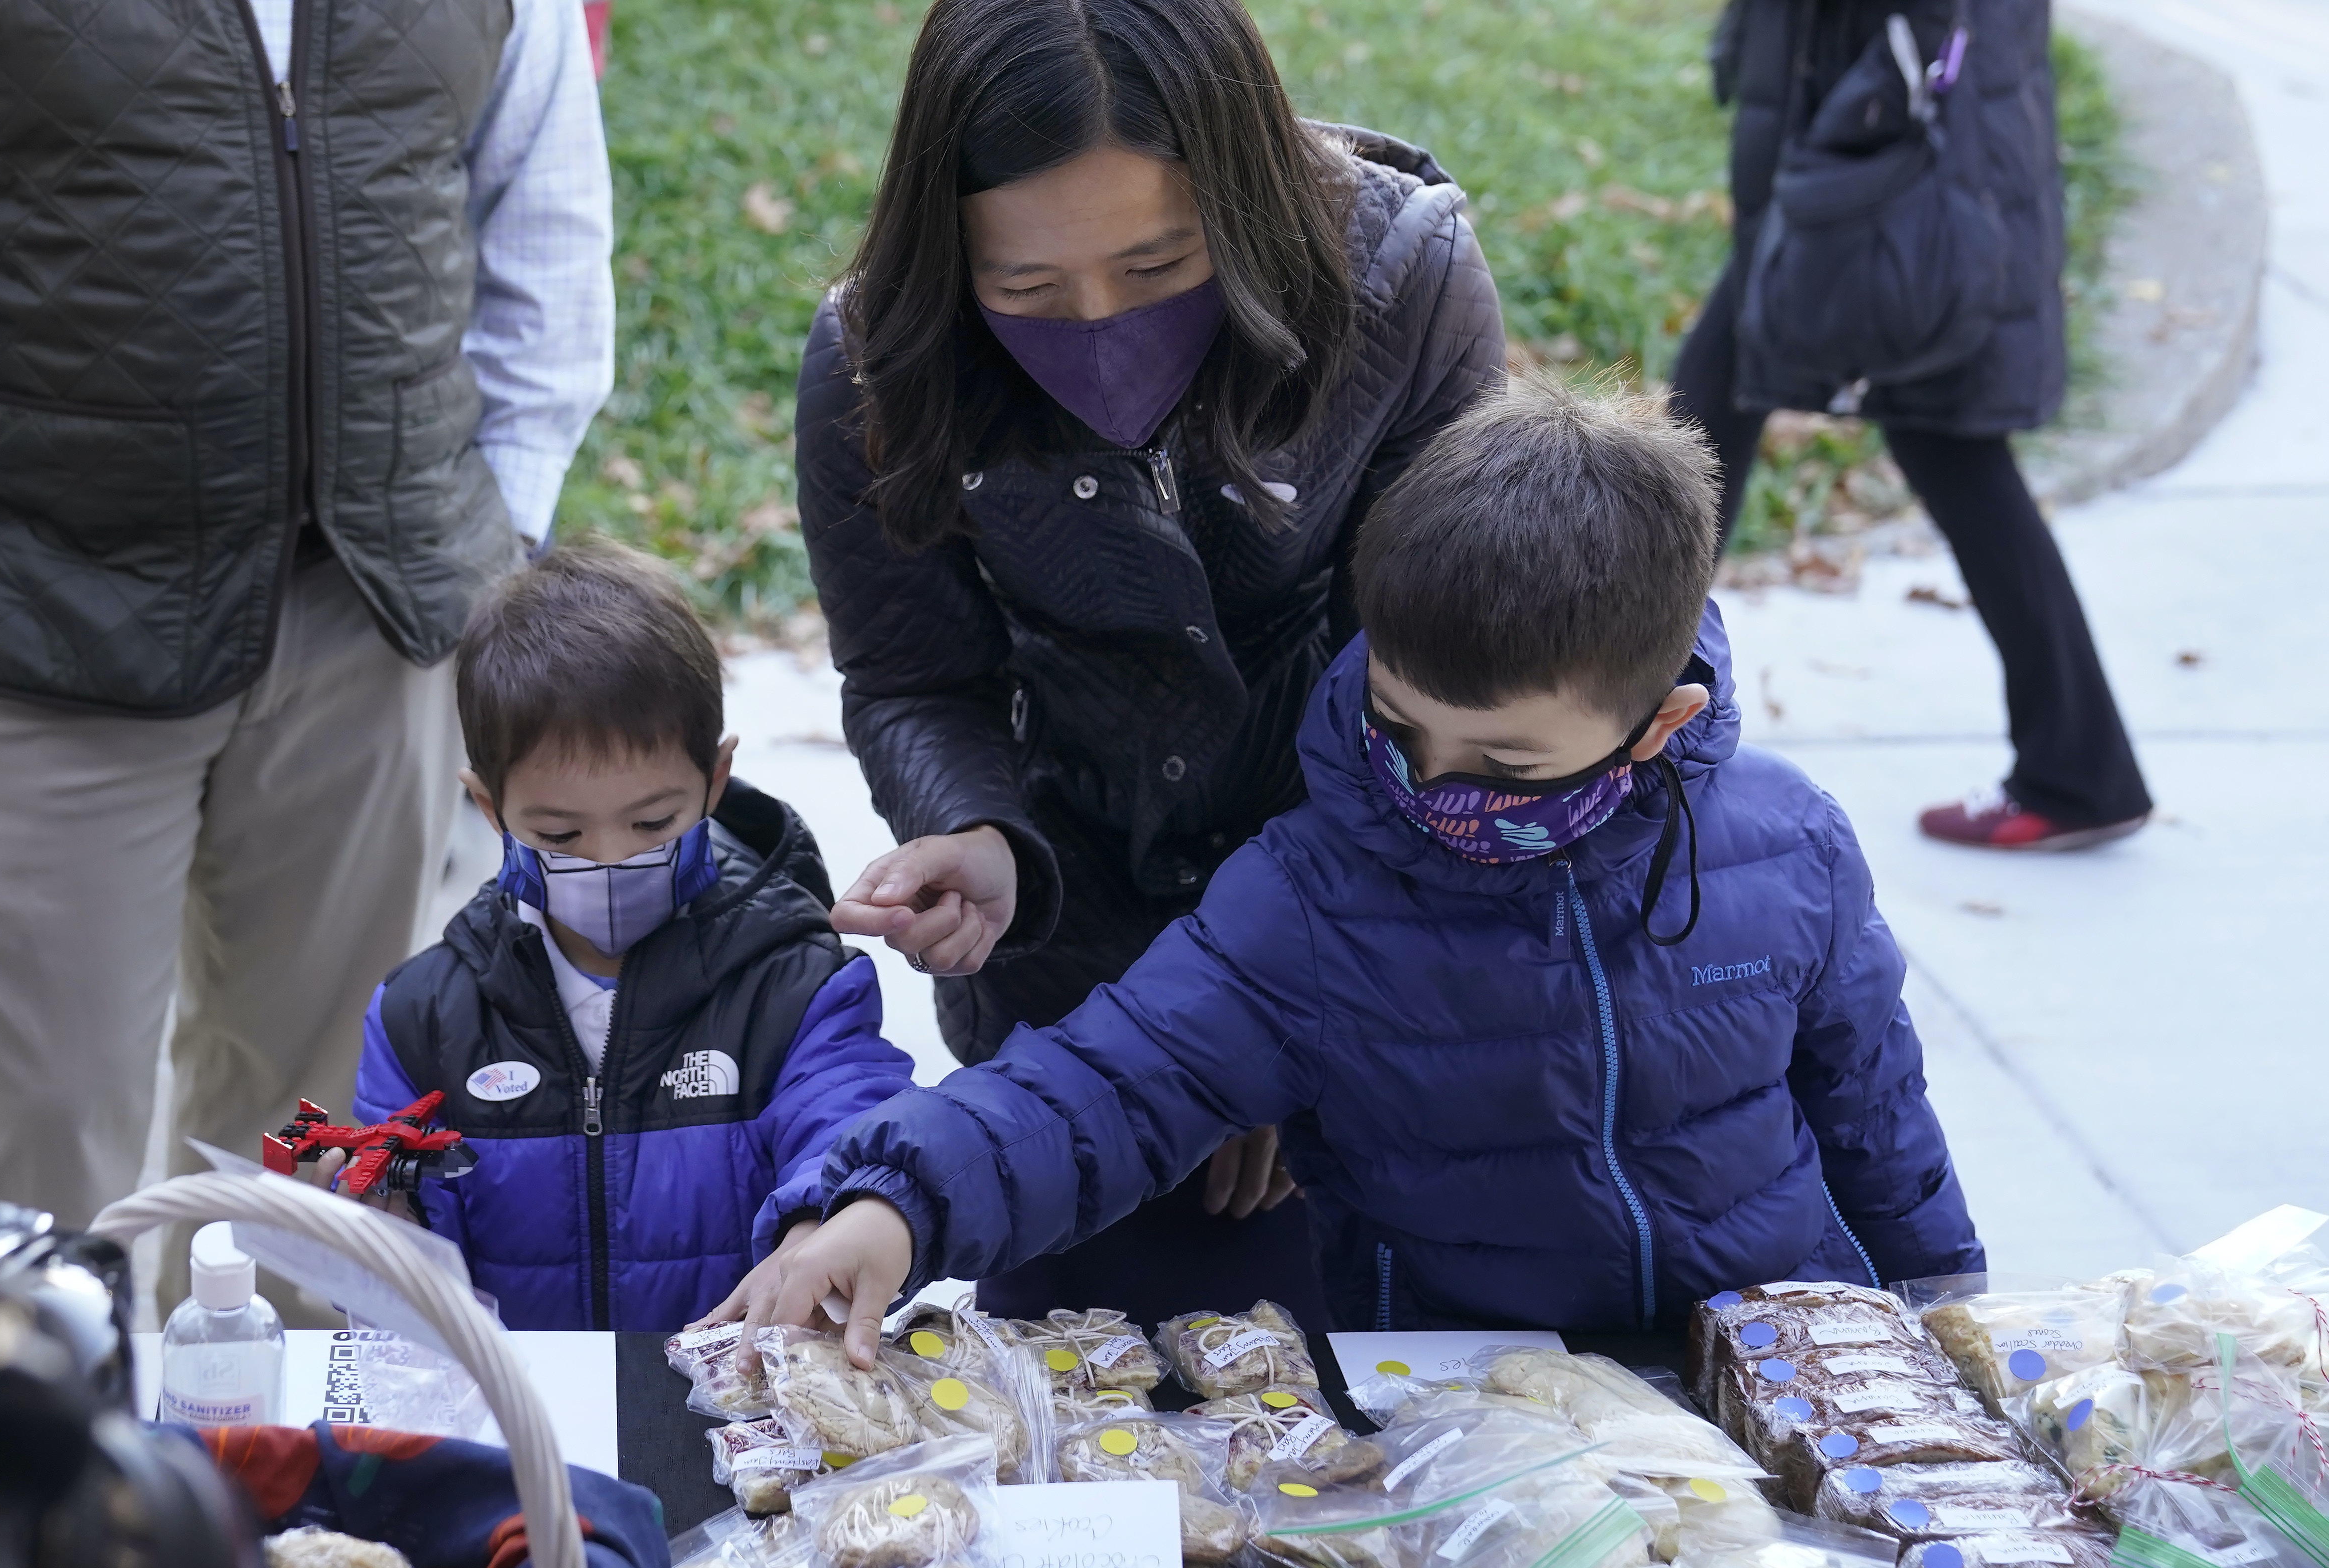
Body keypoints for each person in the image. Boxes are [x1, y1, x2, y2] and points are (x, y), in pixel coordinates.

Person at [726, 372, 1985, 1360]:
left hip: (1765, 1369)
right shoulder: (1316, 892)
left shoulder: (1791, 844)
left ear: (1658, 725)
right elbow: (1105, 1081)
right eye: (1398, 724)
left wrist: (1945, 1302)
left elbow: (1875, 1106)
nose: (1430, 786)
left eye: (1501, 763)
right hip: (1472, 1397)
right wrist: (893, 1201)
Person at [796, 0, 1506, 1340]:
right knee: (1072, 1400)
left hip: (1346, 939)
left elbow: (1430, 692)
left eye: (1157, 264)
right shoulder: (879, 358)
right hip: (1068, 975)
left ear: (1242, 198)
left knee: (1374, 1410)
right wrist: (977, 831)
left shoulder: (1400, 284)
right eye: (1025, 290)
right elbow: (910, 674)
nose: (1098, 326)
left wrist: (1273, 1020)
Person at [0, 0, 614, 1318]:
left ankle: (269, 1441)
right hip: (45, 617)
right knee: (34, 1132)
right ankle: (39, 1433)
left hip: (371, 614)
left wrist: (490, 542)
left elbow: (541, 220)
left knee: (316, 1138)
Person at [340, 542, 917, 1332]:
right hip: (522, 1399)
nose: (610, 859)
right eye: (560, 833)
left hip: (726, 1395)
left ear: (715, 780)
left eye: (651, 823)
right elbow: (398, 1228)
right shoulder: (423, 1017)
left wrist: (830, 1220)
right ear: (490, 809)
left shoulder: (796, 986)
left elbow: (855, 1126)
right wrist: (376, 1227)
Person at [1671, 0, 2150, 850]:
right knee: (1714, 412)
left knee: (1725, 427)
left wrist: (1862, 112)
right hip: (1893, 161)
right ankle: (2081, 766)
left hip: (1902, 176)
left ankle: (1609, 715)